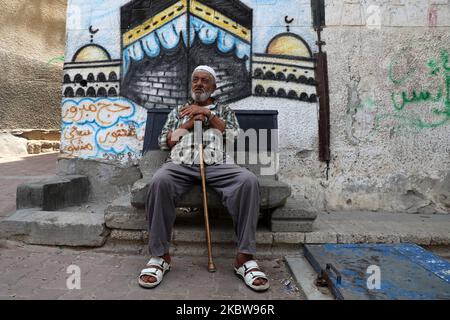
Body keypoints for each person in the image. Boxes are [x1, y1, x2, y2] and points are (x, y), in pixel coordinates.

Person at [138, 65, 269, 292]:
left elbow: (233, 136)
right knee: (159, 181)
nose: (199, 84)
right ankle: (160, 256)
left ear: (213, 87)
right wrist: (189, 123)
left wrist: (209, 115)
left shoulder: (224, 110)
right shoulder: (179, 110)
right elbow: (166, 141)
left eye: (204, 81)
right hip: (181, 162)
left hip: (217, 162)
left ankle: (245, 258)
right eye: (195, 80)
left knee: (248, 181)